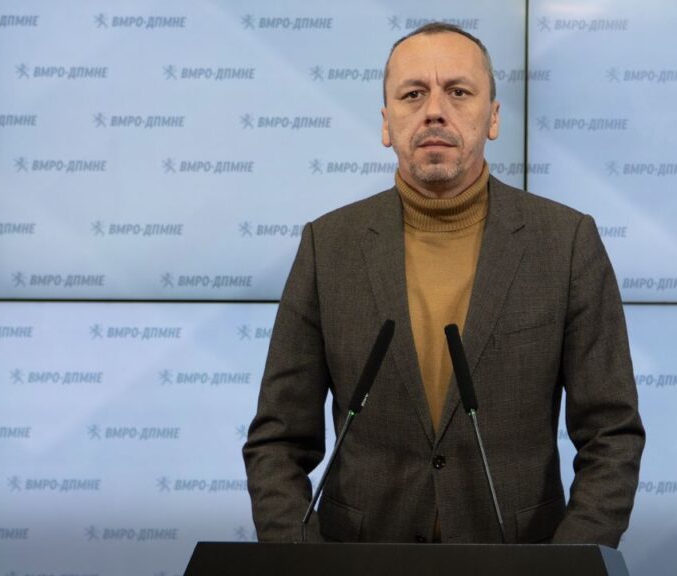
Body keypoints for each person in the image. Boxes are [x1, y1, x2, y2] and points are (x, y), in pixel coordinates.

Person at [243, 22, 645, 547]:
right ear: (386, 123)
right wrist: (302, 563)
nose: (434, 110)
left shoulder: (566, 242)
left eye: (458, 92)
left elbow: (612, 435)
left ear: (493, 117)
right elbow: (276, 443)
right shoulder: (328, 246)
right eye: (413, 94)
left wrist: (567, 564)